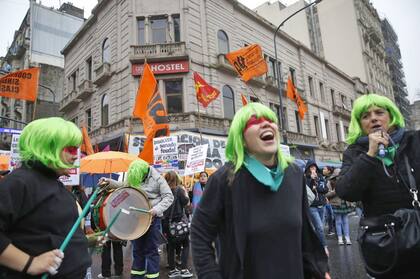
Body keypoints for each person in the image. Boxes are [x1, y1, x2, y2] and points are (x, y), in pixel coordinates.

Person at [191, 103, 329, 279]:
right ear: (241, 139)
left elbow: (305, 234)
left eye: (271, 120)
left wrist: (318, 269)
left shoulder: (294, 174)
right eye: (255, 122)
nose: (266, 124)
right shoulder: (224, 179)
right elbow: (199, 233)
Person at [335, 93, 420, 278]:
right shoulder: (355, 152)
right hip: (383, 243)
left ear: (391, 116)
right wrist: (370, 154)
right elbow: (346, 191)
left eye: (379, 112)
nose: (373, 118)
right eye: (365, 116)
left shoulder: (413, 140)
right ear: (360, 124)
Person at [0, 117, 91, 278]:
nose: (76, 156)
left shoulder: (54, 183)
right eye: (70, 149)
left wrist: (90, 241)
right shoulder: (19, 182)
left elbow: (51, 234)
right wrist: (30, 263)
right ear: (49, 147)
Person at [100, 159, 174, 279]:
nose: (137, 181)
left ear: (144, 173)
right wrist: (108, 182)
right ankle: (137, 276)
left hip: (152, 218)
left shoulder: (158, 179)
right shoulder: (135, 175)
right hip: (137, 218)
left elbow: (169, 197)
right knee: (137, 249)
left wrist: (156, 209)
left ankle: (152, 276)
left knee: (151, 249)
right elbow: (124, 185)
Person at [162, 171, 193, 278]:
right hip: (179, 222)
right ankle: (184, 269)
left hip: (166, 222)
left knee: (170, 246)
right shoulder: (179, 189)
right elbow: (187, 204)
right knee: (186, 244)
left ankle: (172, 270)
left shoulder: (162, 191)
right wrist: (186, 193)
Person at [305, 160, 329, 254]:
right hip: (312, 206)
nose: (313, 169)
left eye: (314, 167)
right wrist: (310, 180)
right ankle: (324, 246)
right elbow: (305, 190)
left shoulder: (320, 177)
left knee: (320, 227)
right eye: (311, 167)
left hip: (321, 205)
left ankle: (316, 244)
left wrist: (318, 187)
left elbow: (325, 189)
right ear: (308, 169)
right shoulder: (305, 178)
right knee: (319, 227)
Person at [325, 169, 353, 245]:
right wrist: (335, 191)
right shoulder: (330, 182)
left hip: (345, 202)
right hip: (336, 203)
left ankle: (347, 238)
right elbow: (326, 194)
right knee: (338, 221)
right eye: (338, 175)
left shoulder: (345, 181)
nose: (340, 177)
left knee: (345, 221)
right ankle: (340, 238)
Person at [322, 166, 335, 236]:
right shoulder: (324, 178)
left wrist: (326, 196)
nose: (323, 170)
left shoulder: (331, 179)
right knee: (329, 215)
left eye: (324, 169)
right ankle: (331, 229)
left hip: (331, 200)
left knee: (331, 215)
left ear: (329, 171)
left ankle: (332, 229)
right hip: (327, 199)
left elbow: (332, 190)